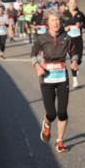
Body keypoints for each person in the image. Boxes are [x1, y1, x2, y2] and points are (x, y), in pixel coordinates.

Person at [32, 10, 77, 152]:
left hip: (62, 76)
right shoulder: (41, 39)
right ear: (47, 23)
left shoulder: (66, 38)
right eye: (52, 20)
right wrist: (37, 66)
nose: (56, 22)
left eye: (57, 20)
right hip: (46, 77)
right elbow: (33, 55)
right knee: (51, 114)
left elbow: (74, 52)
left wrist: (74, 62)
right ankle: (46, 124)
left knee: (62, 112)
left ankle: (60, 141)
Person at [61, 0, 85, 89]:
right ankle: (75, 80)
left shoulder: (80, 14)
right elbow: (59, 27)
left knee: (79, 59)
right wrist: (65, 28)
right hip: (69, 40)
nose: (73, 4)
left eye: (75, 3)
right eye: (71, 3)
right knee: (73, 59)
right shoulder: (64, 14)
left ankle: (76, 65)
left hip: (78, 39)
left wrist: (81, 24)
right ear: (68, 4)